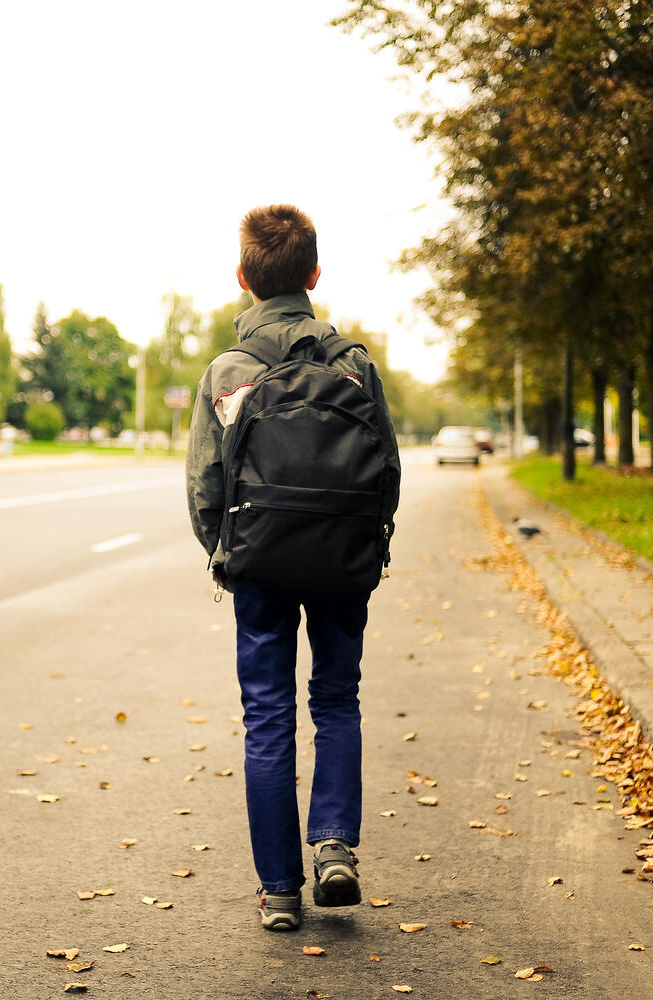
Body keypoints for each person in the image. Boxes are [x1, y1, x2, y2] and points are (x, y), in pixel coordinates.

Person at [186, 204, 401, 932]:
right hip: (342, 562)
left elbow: (205, 486)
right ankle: (334, 846)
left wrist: (228, 555)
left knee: (268, 716)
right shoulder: (353, 364)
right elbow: (387, 473)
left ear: (243, 278)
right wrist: (370, 546)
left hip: (262, 565)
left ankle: (279, 889)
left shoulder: (229, 370)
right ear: (313, 275)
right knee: (337, 700)